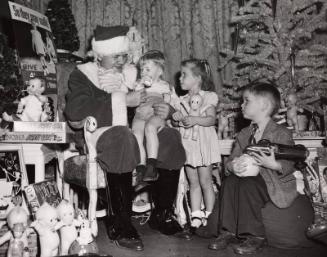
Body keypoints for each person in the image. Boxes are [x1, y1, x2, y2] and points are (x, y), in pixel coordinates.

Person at [64, 25, 186, 251]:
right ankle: (119, 223)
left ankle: (162, 213)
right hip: (105, 132)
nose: (121, 60)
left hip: (140, 130)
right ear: (99, 54)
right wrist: (122, 100)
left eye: (124, 55)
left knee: (169, 136)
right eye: (115, 56)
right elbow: (75, 111)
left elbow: (158, 94)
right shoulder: (83, 74)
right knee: (122, 138)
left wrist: (164, 110)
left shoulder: (136, 72)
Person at [208, 82, 297, 255]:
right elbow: (230, 161)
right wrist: (233, 166)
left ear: (263, 106)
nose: (242, 105)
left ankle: (255, 236)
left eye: (247, 101)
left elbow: (290, 162)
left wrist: (273, 164)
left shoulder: (281, 133)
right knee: (230, 182)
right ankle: (228, 231)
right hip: (248, 179)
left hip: (273, 182)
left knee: (248, 184)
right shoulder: (244, 134)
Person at [172, 59, 221, 228]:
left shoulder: (208, 97)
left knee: (206, 181)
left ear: (198, 78)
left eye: (184, 75)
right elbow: (180, 123)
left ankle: (211, 213)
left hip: (202, 146)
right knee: (192, 182)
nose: (180, 78)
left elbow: (210, 120)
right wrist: (177, 120)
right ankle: (195, 214)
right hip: (188, 146)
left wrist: (195, 119)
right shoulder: (182, 99)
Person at [132, 50, 177, 184]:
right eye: (141, 69)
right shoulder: (138, 85)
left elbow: (174, 103)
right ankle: (140, 168)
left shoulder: (165, 86)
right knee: (136, 133)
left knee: (150, 128)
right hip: (140, 114)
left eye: (148, 69)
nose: (144, 72)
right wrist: (139, 88)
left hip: (156, 114)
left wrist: (172, 111)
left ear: (160, 71)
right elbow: (132, 100)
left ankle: (151, 165)